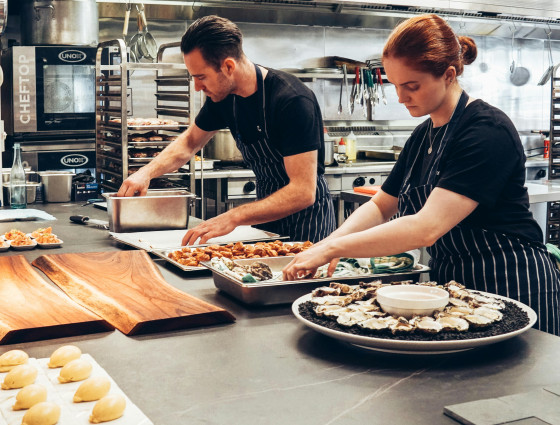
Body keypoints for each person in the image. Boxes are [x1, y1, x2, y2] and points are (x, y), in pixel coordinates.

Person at [283, 14, 560, 335]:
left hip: (512, 280)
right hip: (455, 287)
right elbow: (381, 206)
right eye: (395, 85)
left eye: (411, 86)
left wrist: (334, 249)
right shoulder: (422, 135)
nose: (401, 97)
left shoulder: (486, 130)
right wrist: (326, 243)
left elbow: (426, 228)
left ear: (449, 74)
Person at [117, 15, 336, 244]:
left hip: (308, 225)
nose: (197, 87)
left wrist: (233, 217)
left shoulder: (291, 100)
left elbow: (303, 192)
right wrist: (145, 173)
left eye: (201, 77)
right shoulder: (224, 98)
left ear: (228, 66)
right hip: (265, 218)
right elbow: (190, 142)